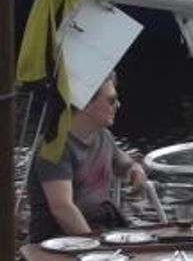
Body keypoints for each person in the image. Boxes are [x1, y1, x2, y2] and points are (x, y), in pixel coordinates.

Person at [27, 74, 148, 242]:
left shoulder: (102, 135)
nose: (118, 105)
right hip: (57, 242)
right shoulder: (55, 148)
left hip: (99, 230)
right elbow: (62, 209)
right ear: (85, 104)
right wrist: (95, 248)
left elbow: (120, 160)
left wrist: (132, 168)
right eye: (111, 101)